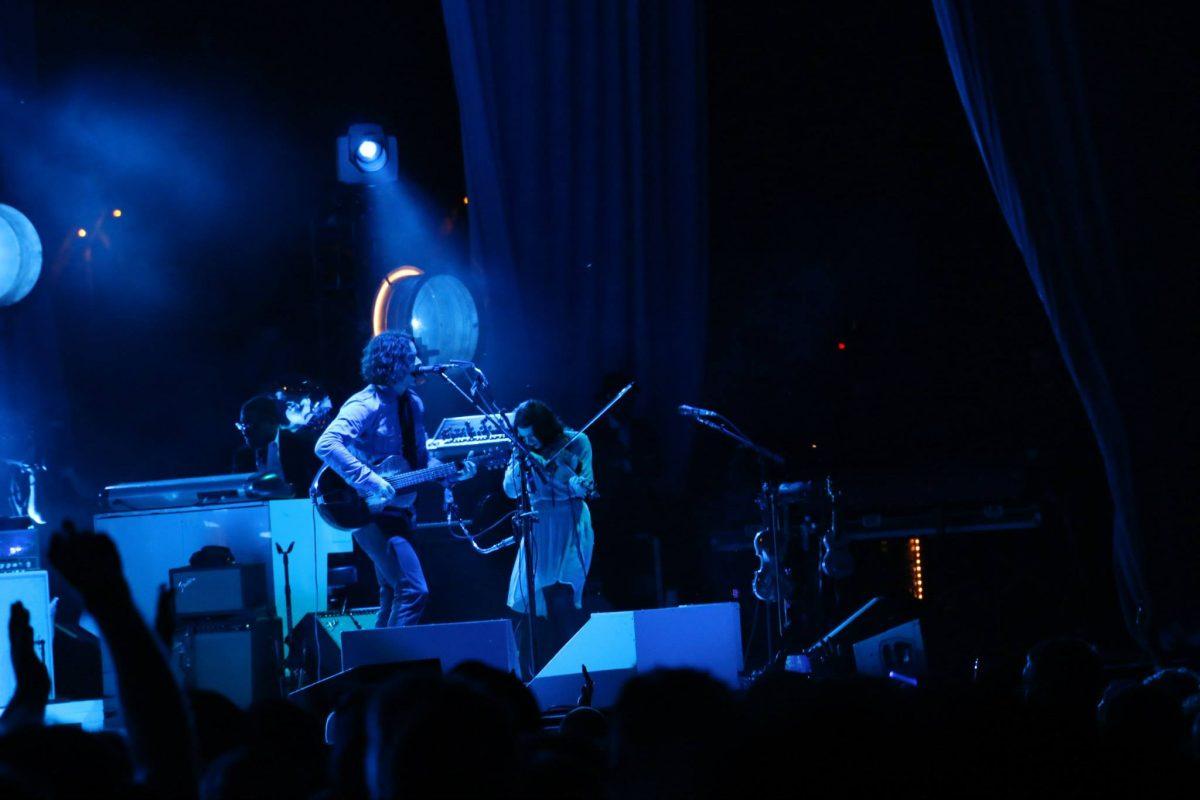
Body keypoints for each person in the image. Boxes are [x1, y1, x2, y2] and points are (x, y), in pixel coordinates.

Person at [314, 332, 475, 628]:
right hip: (368, 512)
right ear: (396, 363)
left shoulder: (413, 402)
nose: (419, 362)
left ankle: (375, 667)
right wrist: (371, 481)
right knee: (413, 590)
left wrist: (449, 473)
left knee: (391, 592)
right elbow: (326, 444)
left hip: (400, 511)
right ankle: (396, 666)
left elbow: (420, 459)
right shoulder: (365, 404)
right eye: (412, 357)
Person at [503, 399, 595, 665]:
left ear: (545, 428)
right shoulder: (522, 450)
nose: (529, 441)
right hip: (538, 524)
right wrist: (522, 459)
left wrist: (573, 480)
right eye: (523, 437)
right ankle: (530, 673)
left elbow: (585, 486)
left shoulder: (577, 442)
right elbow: (510, 489)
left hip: (570, 522)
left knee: (562, 597)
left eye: (533, 435)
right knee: (530, 602)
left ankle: (575, 666)